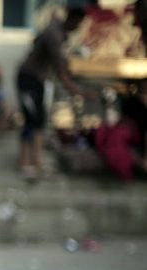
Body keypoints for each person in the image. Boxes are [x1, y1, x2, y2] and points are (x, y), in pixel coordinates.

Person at [16, 6, 94, 178]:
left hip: (38, 80)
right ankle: (25, 162)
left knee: (39, 120)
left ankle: (36, 162)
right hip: (28, 78)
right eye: (79, 23)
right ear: (72, 19)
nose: (79, 27)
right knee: (32, 120)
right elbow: (60, 71)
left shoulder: (57, 30)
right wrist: (78, 91)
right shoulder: (54, 34)